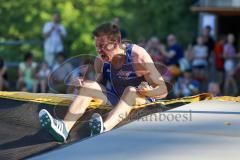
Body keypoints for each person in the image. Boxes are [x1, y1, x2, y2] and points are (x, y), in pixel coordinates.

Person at [38, 22, 168, 142]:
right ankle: (64, 128)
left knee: (130, 91)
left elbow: (163, 90)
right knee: (89, 86)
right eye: (96, 46)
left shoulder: (138, 56)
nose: (99, 51)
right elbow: (98, 86)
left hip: (142, 100)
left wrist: (149, 91)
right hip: (117, 99)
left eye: (102, 46)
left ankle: (104, 129)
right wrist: (82, 86)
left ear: (116, 43)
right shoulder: (100, 61)